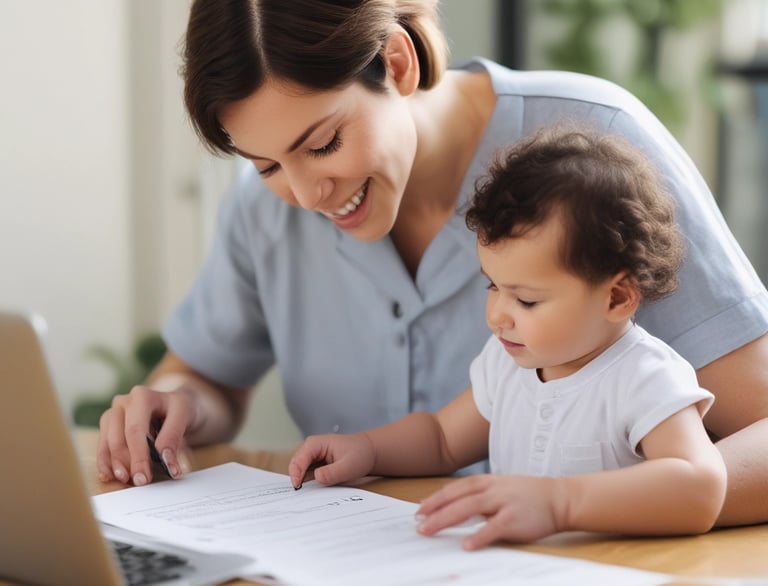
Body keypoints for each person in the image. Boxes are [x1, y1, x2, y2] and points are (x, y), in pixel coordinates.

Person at [97, 0, 768, 527]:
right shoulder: (263, 208)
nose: (304, 195)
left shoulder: (598, 152)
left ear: (397, 63)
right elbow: (206, 378)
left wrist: (581, 507)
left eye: (324, 143)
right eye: (267, 163)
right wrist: (174, 404)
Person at [287, 126, 728, 549]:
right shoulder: (508, 364)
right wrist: (367, 450)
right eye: (493, 286)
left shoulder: (645, 376)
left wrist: (561, 504)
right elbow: (441, 439)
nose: (497, 316)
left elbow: (701, 484)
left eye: (527, 301)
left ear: (616, 297)